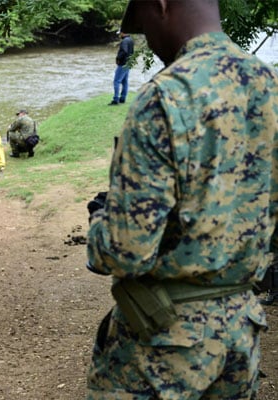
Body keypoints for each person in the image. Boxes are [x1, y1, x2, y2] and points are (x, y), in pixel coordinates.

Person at [85, 1, 277, 398]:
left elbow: (125, 250)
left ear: (160, 5)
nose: (149, 41)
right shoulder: (270, 86)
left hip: (163, 339)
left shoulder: (166, 96)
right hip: (242, 334)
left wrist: (99, 223)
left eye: (144, 25)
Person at [110, 31, 134, 106]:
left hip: (123, 63)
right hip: (128, 63)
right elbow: (132, 52)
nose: (119, 35)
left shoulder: (124, 41)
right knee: (125, 81)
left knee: (116, 81)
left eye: (120, 33)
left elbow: (124, 51)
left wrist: (118, 58)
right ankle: (123, 98)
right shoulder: (130, 40)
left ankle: (115, 99)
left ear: (123, 32)